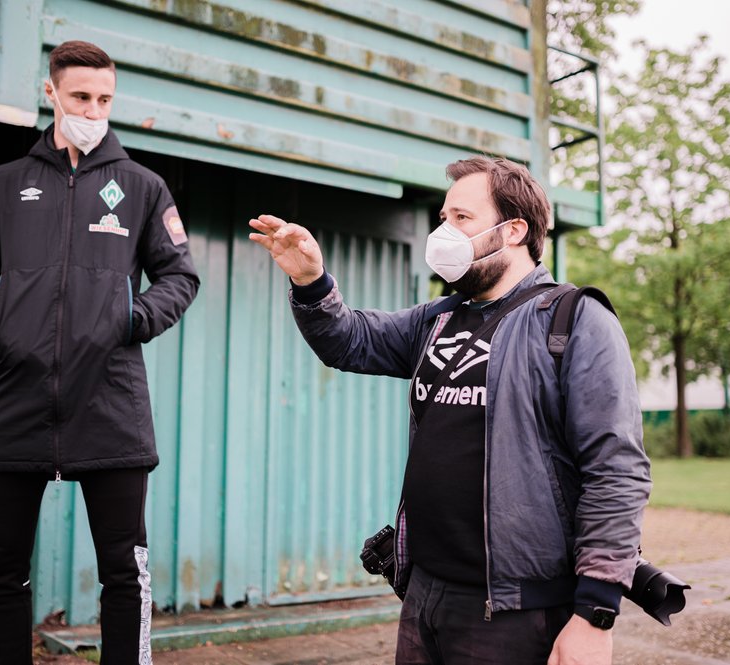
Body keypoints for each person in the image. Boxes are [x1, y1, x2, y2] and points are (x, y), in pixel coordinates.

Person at [248, 156, 651, 665]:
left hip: (517, 609)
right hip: (425, 598)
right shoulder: (436, 319)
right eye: (443, 218)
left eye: (462, 218)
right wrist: (311, 281)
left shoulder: (575, 320)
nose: (444, 230)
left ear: (514, 230)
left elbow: (617, 471)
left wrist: (595, 615)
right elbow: (348, 340)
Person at [0, 40, 200, 664]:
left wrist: (130, 318)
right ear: (51, 93)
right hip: (13, 399)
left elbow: (180, 277)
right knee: (0, 570)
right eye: (81, 96)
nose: (93, 108)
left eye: (105, 98)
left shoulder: (142, 187)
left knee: (123, 571)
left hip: (109, 399)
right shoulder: (4, 184)